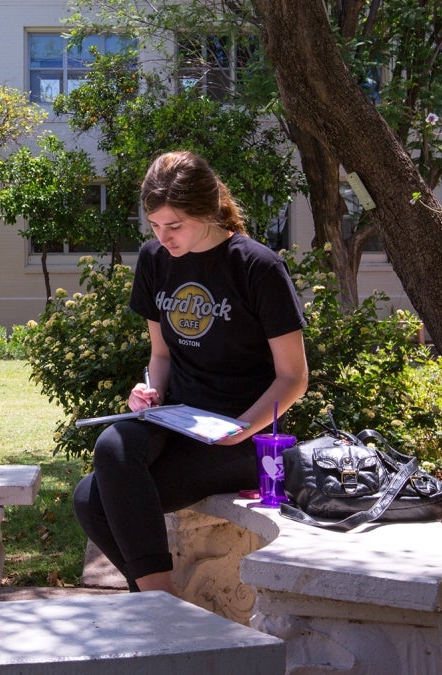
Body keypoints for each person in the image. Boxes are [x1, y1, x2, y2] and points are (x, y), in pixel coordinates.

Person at [73, 151, 309, 595]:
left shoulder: (257, 267)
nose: (164, 238)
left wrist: (240, 430)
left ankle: (157, 605)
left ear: (207, 210)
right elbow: (160, 356)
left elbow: (293, 377)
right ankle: (161, 602)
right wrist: (150, 392)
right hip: (178, 418)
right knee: (112, 447)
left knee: (93, 499)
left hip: (241, 434)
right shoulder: (155, 260)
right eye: (155, 226)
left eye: (174, 226)